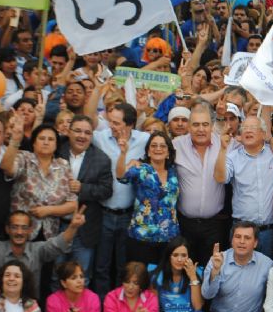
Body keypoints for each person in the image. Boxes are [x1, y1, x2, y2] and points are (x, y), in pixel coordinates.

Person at [92, 103, 150, 298]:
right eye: (110, 121)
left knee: (123, 267)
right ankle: (102, 309)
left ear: (130, 124)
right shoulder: (101, 138)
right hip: (104, 214)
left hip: (129, 216)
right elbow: (86, 120)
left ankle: (121, 307)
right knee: (101, 266)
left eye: (116, 123)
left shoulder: (144, 140)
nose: (111, 126)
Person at [0, 201, 86, 294]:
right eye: (14, 227)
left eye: (24, 228)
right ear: (7, 229)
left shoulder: (38, 250)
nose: (19, 232)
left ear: (30, 230)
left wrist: (73, 227)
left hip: (29, 308)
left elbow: (59, 244)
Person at [214, 116, 273, 259]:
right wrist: (222, 149)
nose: (248, 131)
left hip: (268, 231)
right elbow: (220, 178)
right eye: (244, 128)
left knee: (268, 270)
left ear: (263, 133)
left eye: (253, 128)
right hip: (242, 231)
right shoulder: (232, 157)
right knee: (239, 269)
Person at [56, 115, 113, 285]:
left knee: (82, 276)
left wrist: (83, 188)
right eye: (78, 131)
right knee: (56, 275)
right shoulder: (56, 150)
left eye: (87, 133)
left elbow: (106, 190)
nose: (82, 136)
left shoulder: (102, 159)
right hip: (57, 224)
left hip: (84, 228)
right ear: (68, 131)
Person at [2, 121, 78, 241]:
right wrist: (15, 140)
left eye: (51, 139)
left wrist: (49, 210)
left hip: (50, 234)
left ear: (56, 145)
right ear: (34, 143)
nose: (46, 142)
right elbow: (7, 168)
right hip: (21, 231)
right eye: (42, 138)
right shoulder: (24, 158)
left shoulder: (63, 165)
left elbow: (72, 205)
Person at [174, 101, 229, 266]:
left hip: (215, 225)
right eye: (196, 124)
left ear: (212, 126)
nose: (201, 129)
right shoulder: (176, 145)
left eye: (205, 124)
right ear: (189, 126)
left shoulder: (225, 144)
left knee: (211, 270)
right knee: (185, 268)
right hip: (185, 224)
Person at [116, 131, 180, 266]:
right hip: (142, 237)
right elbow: (121, 176)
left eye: (162, 146)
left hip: (169, 237)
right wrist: (123, 154)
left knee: (163, 276)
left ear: (168, 152)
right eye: (154, 145)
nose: (158, 149)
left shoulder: (174, 172)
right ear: (148, 151)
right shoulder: (141, 169)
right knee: (140, 276)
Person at [151, 237, 205, 312]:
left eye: (183, 255)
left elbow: (197, 307)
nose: (179, 259)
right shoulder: (157, 276)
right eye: (175, 255)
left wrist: (193, 278)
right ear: (169, 256)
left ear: (189, 257)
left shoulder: (196, 273)